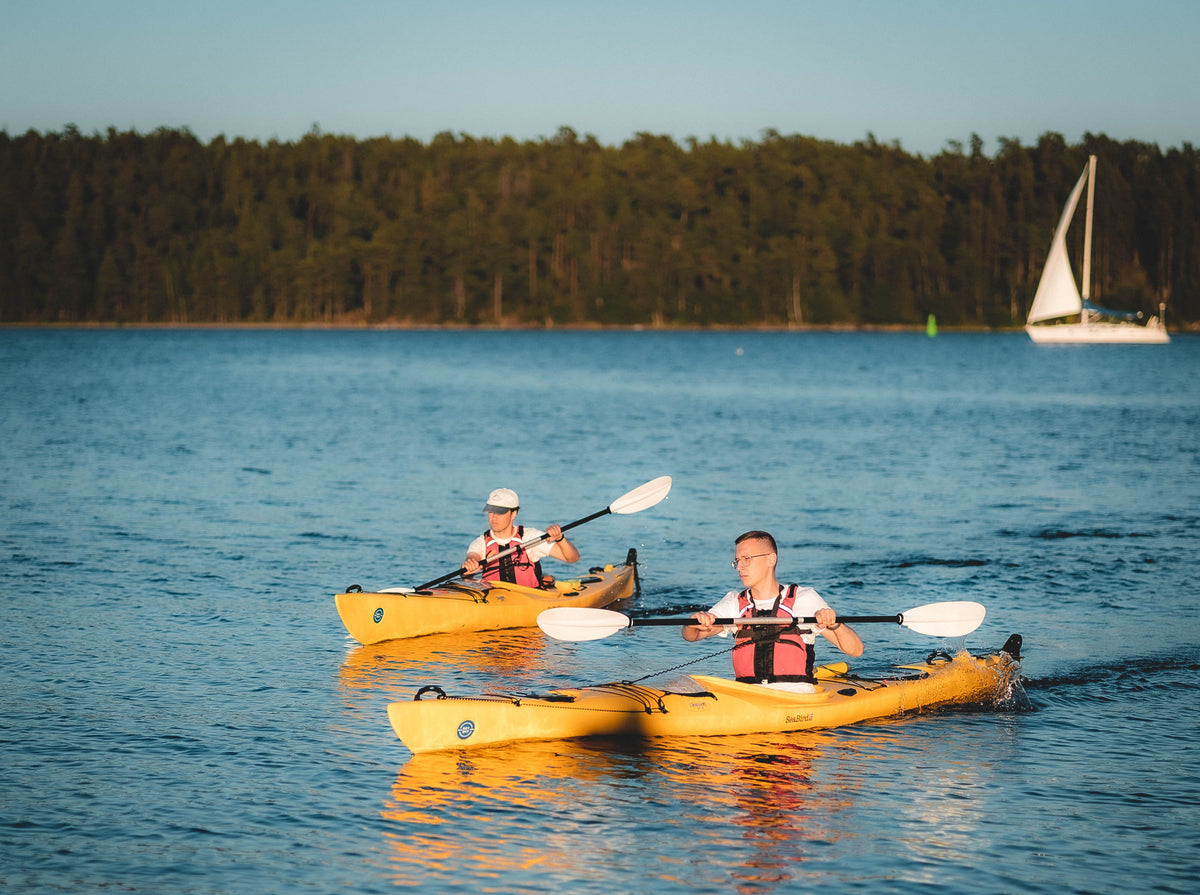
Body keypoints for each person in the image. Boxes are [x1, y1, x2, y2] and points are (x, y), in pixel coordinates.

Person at [683, 530, 863, 690]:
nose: (739, 567)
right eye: (737, 561)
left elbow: (856, 650)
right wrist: (695, 622)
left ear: (771, 559)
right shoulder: (734, 602)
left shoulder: (804, 598)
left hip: (796, 699)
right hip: (750, 697)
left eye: (746, 559)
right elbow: (692, 636)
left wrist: (835, 624)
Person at [461, 488, 580, 588]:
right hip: (493, 599)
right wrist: (469, 567)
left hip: (529, 598)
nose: (493, 517)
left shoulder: (530, 538)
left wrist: (560, 539)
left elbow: (572, 558)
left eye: (499, 512)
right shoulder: (481, 542)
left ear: (513, 514)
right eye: (491, 512)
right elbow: (472, 558)